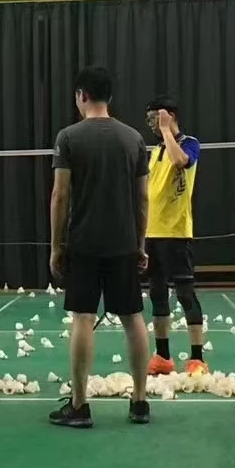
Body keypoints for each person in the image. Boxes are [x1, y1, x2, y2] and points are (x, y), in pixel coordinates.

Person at [49, 66, 152, 428]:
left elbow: (60, 195)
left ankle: (79, 406)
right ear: (110, 97)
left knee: (83, 317)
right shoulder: (133, 139)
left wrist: (55, 246)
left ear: (81, 96)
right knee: (133, 318)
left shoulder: (68, 137)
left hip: (84, 243)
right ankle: (140, 402)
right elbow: (143, 199)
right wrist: (140, 244)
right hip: (124, 243)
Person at [143, 97, 206, 375]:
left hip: (176, 233)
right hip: (151, 233)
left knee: (185, 294)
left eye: (153, 118)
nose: (150, 124)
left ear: (168, 116)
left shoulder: (189, 143)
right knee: (157, 294)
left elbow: (181, 161)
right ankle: (163, 356)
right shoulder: (155, 150)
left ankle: (197, 358)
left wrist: (166, 130)